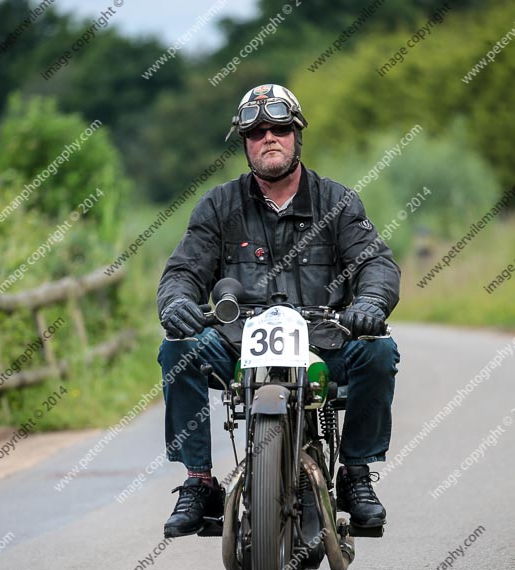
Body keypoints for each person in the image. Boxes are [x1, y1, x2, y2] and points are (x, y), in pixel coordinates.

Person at [157, 84, 400, 538]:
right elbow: (183, 271)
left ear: (297, 135)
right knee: (178, 347)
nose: (269, 137)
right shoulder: (218, 205)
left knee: (379, 349)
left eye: (280, 128)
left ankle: (355, 473)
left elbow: (376, 264)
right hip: (237, 344)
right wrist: (176, 303)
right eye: (257, 131)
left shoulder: (338, 202)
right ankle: (199, 481)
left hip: (324, 342)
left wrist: (369, 303)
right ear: (246, 144)